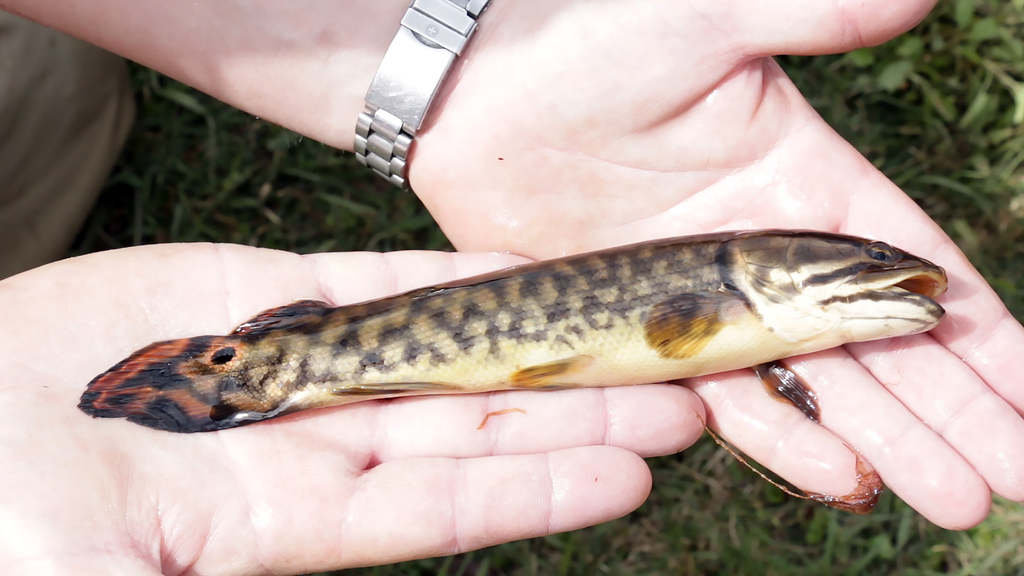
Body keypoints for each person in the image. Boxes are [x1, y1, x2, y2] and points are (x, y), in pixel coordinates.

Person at [1, 0, 1021, 573]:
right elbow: (674, 340)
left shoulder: (742, 293)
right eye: (865, 270)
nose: (887, 280)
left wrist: (459, 64)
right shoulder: (724, 295)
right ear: (766, 274)